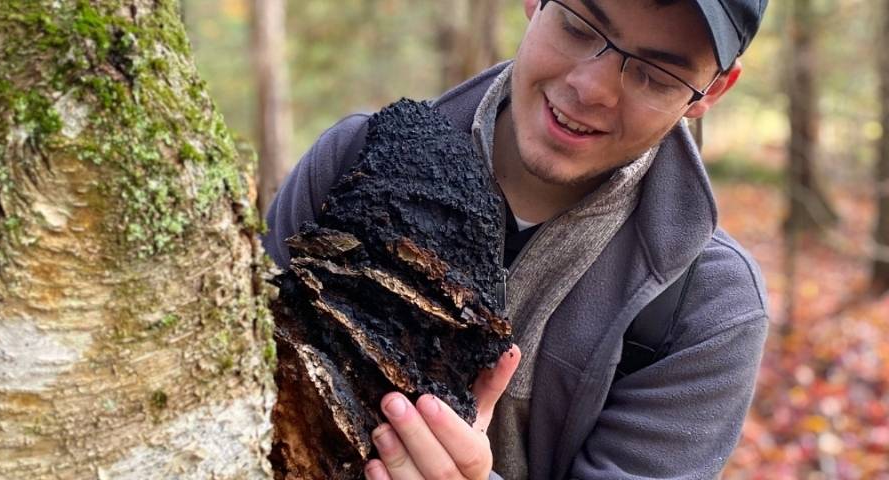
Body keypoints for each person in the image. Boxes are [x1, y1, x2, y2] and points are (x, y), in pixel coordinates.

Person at [262, 0, 770, 478]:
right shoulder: (353, 160)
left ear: (712, 92)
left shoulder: (708, 307)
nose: (591, 88)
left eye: (655, 75)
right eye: (578, 27)